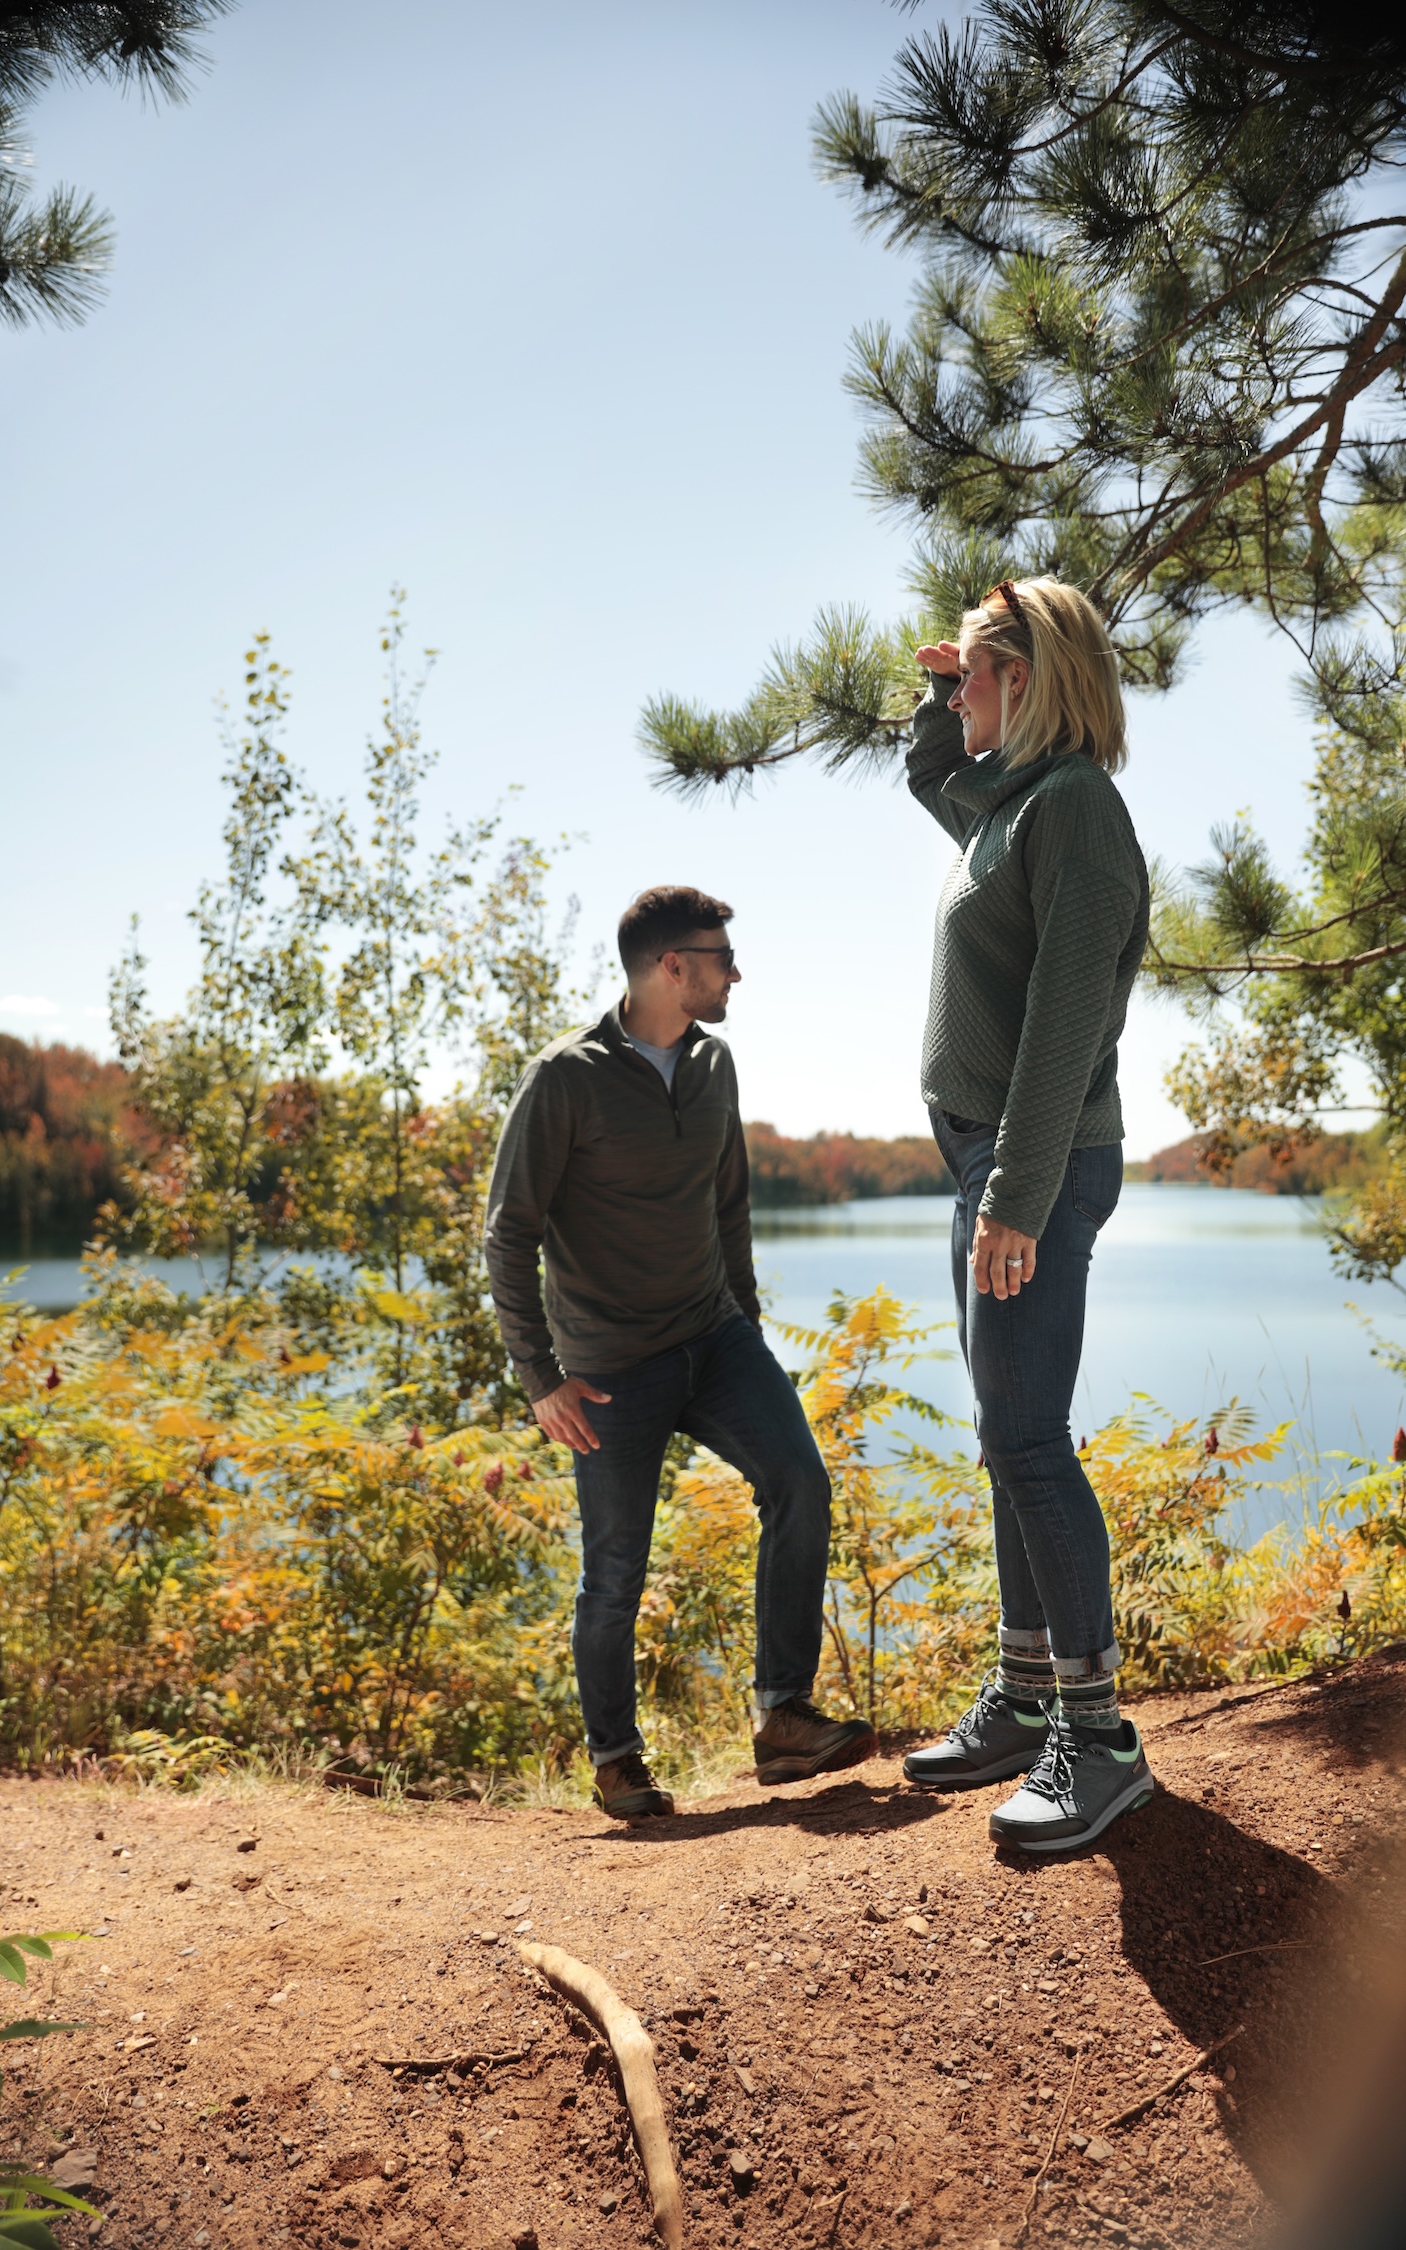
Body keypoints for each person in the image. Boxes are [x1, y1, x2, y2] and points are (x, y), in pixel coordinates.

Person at [483, 884, 876, 1818]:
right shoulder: (564, 1078)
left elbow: (727, 1200)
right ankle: (617, 1761)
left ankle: (783, 1719)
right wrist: (541, 1379)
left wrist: (744, 1322)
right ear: (671, 966)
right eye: (719, 956)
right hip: (610, 1369)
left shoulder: (715, 1064)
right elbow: (508, 1235)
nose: (735, 971)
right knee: (614, 1570)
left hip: (714, 1336)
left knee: (799, 1483)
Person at [900, 578, 1154, 1851]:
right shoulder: (1008, 808)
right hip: (993, 1164)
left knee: (1030, 1439)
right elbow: (930, 777)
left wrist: (1014, 1197)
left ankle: (1098, 1736)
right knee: (1007, 1434)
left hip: (1033, 1164)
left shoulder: (1075, 815)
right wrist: (939, 697)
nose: (959, 699)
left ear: (1027, 678)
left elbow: (1064, 1029)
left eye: (976, 677)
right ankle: (1026, 1692)